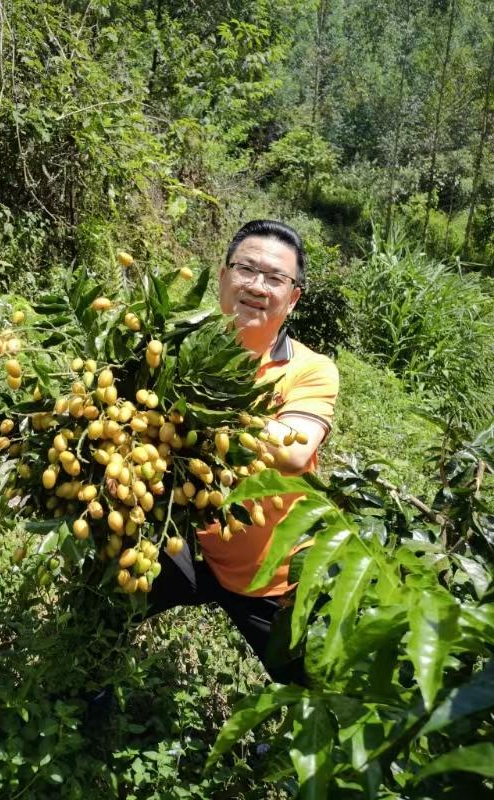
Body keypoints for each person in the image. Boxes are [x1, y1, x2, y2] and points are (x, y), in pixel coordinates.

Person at [145, 219, 339, 683]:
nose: (256, 285)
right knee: (109, 603)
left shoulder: (311, 370)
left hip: (269, 571)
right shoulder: (177, 348)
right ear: (223, 277)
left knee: (312, 685)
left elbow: (294, 451)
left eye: (275, 278)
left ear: (292, 298)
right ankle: (84, 692)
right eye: (246, 269)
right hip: (188, 542)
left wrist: (203, 400)